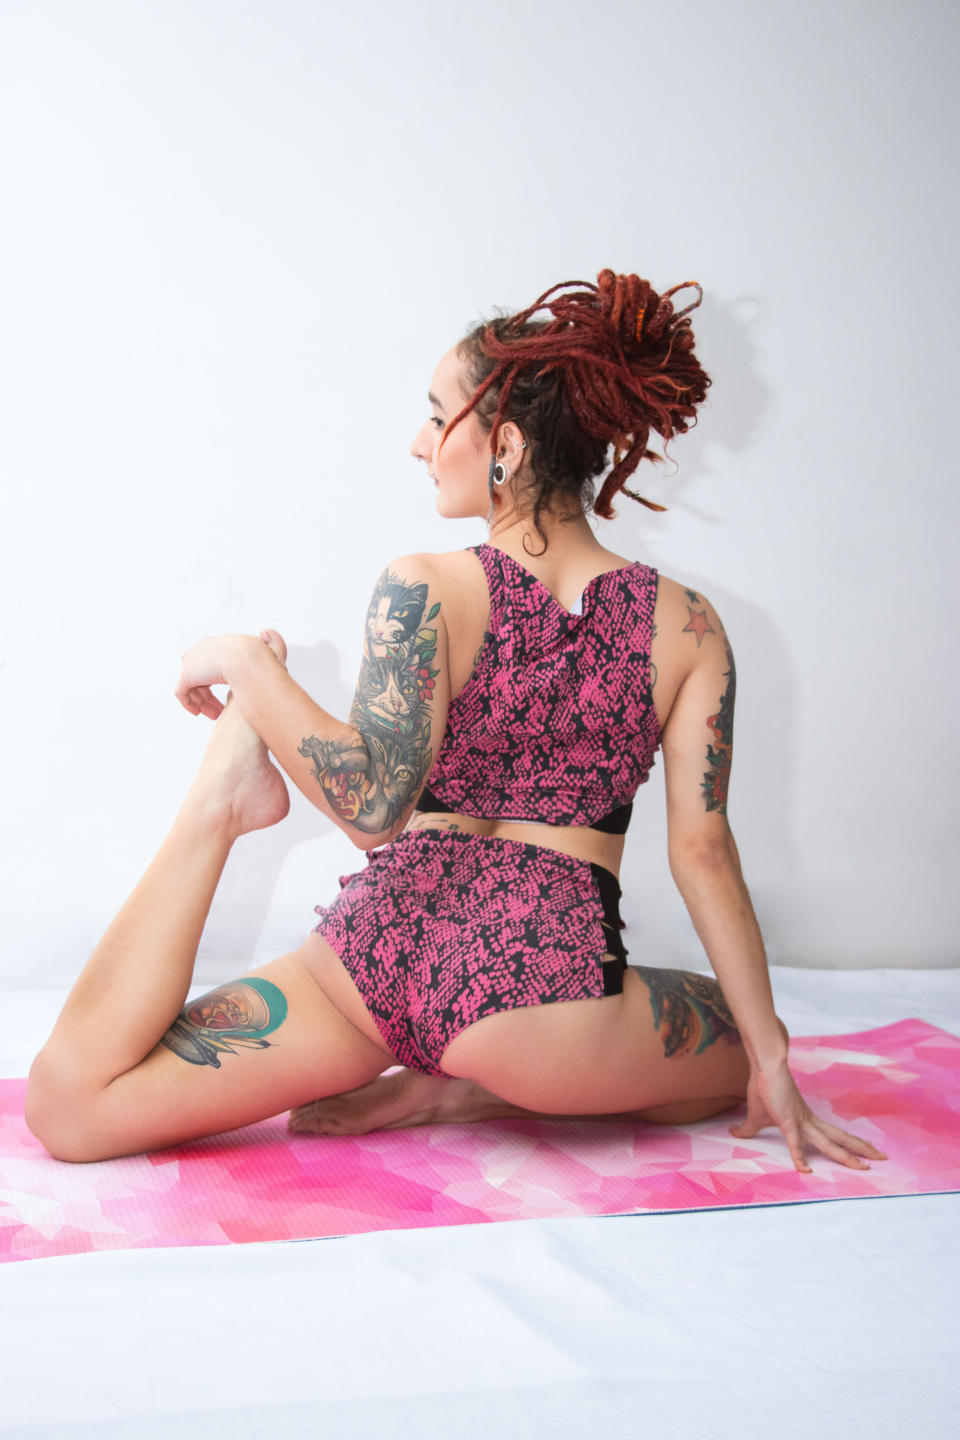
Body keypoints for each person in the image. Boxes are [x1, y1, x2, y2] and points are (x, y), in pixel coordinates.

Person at [25, 270, 886, 1175]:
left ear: (503, 443)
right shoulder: (689, 626)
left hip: (378, 962)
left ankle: (222, 806)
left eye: (437, 417)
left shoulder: (427, 587)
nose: (419, 443)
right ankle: (471, 1084)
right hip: (541, 1006)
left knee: (73, 1109)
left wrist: (248, 666)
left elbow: (372, 814)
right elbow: (702, 850)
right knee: (732, 1042)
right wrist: (771, 1056)